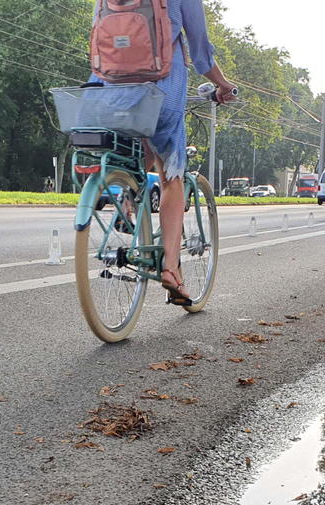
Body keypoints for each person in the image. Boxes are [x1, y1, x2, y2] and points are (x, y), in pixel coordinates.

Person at [89, 0, 237, 305]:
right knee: (171, 177)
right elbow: (200, 52)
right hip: (162, 94)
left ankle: (125, 199)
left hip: (110, 92)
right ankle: (171, 269)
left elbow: (98, 41)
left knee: (137, 147)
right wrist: (223, 85)